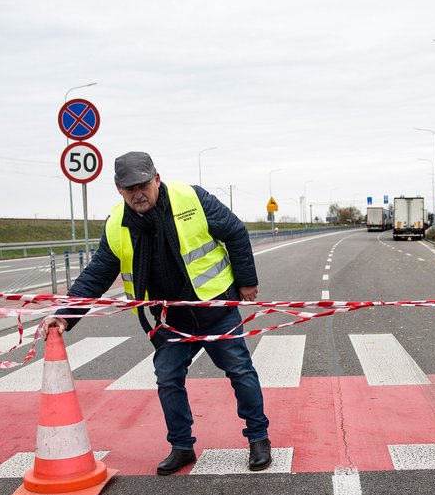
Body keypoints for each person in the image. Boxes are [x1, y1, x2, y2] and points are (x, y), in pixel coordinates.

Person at [43, 151, 271, 475]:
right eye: (129, 188)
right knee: (167, 377)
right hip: (170, 320)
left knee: (240, 370)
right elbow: (95, 275)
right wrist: (66, 315)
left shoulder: (192, 198)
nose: (138, 193)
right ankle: (181, 446)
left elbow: (235, 231)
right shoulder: (116, 225)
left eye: (143, 185)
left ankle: (259, 438)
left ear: (156, 179)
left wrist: (247, 282)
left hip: (214, 308)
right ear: (118, 189)